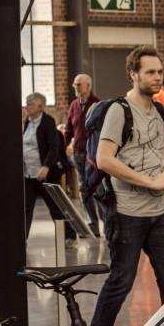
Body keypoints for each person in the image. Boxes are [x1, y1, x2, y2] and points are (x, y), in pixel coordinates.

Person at [89, 45, 164, 326]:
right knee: (121, 279)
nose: (157, 77)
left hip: (160, 214)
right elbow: (104, 160)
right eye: (150, 72)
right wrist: (150, 181)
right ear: (133, 74)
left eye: (160, 72)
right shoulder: (118, 111)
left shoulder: (163, 112)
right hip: (127, 214)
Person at [21, 92, 72, 241]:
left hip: (45, 173)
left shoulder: (47, 122)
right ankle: (22, 239)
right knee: (26, 208)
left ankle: (69, 236)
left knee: (55, 207)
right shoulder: (26, 122)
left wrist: (46, 166)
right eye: (26, 103)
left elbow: (54, 147)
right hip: (28, 173)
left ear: (40, 107)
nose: (26, 106)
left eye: (30, 104)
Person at [64, 73, 101, 237]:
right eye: (74, 84)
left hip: (94, 155)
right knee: (84, 191)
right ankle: (92, 226)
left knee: (99, 190)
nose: (75, 87)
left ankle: (107, 224)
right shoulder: (74, 105)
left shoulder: (98, 104)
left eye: (78, 84)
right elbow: (68, 129)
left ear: (88, 86)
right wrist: (63, 145)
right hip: (78, 153)